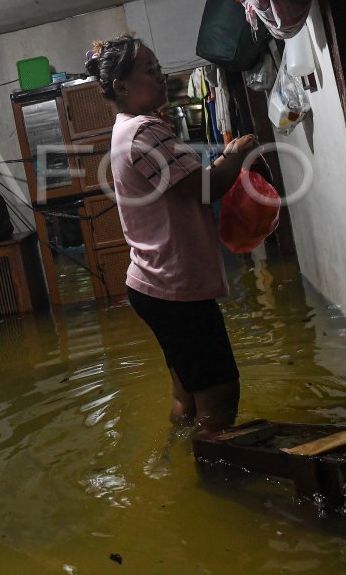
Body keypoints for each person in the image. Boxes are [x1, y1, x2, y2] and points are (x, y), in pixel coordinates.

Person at [85, 33, 259, 436]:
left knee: (187, 390)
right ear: (121, 86)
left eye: (159, 67)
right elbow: (203, 188)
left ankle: (176, 456)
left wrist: (217, 166)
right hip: (174, 286)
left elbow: (184, 183)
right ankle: (211, 482)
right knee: (220, 396)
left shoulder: (128, 128)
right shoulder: (146, 132)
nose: (161, 77)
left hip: (153, 284)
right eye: (151, 70)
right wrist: (236, 157)